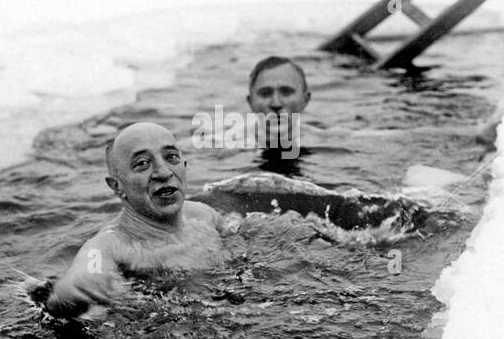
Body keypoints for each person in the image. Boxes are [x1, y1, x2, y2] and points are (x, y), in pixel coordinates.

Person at [40, 122, 225, 318]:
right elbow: (85, 271)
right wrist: (76, 286)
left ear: (184, 167)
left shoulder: (204, 215)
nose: (163, 172)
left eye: (171, 157)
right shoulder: (111, 245)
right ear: (117, 187)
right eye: (142, 163)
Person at [245, 55, 311, 154]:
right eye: (265, 93)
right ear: (251, 102)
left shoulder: (329, 140)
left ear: (305, 100)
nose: (276, 103)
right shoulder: (229, 146)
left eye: (286, 92)